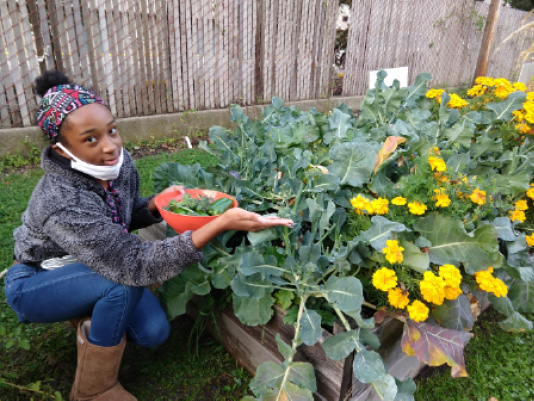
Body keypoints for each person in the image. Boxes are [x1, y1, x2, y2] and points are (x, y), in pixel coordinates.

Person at [4, 70, 294, 401]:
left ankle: (86, 309)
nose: (110, 146)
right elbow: (133, 264)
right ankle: (93, 390)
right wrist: (219, 223)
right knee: (120, 283)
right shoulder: (62, 202)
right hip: (36, 280)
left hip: (92, 261)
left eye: (111, 130)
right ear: (61, 149)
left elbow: (118, 216)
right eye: (90, 139)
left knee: (153, 332)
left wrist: (154, 206)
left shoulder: (118, 166)